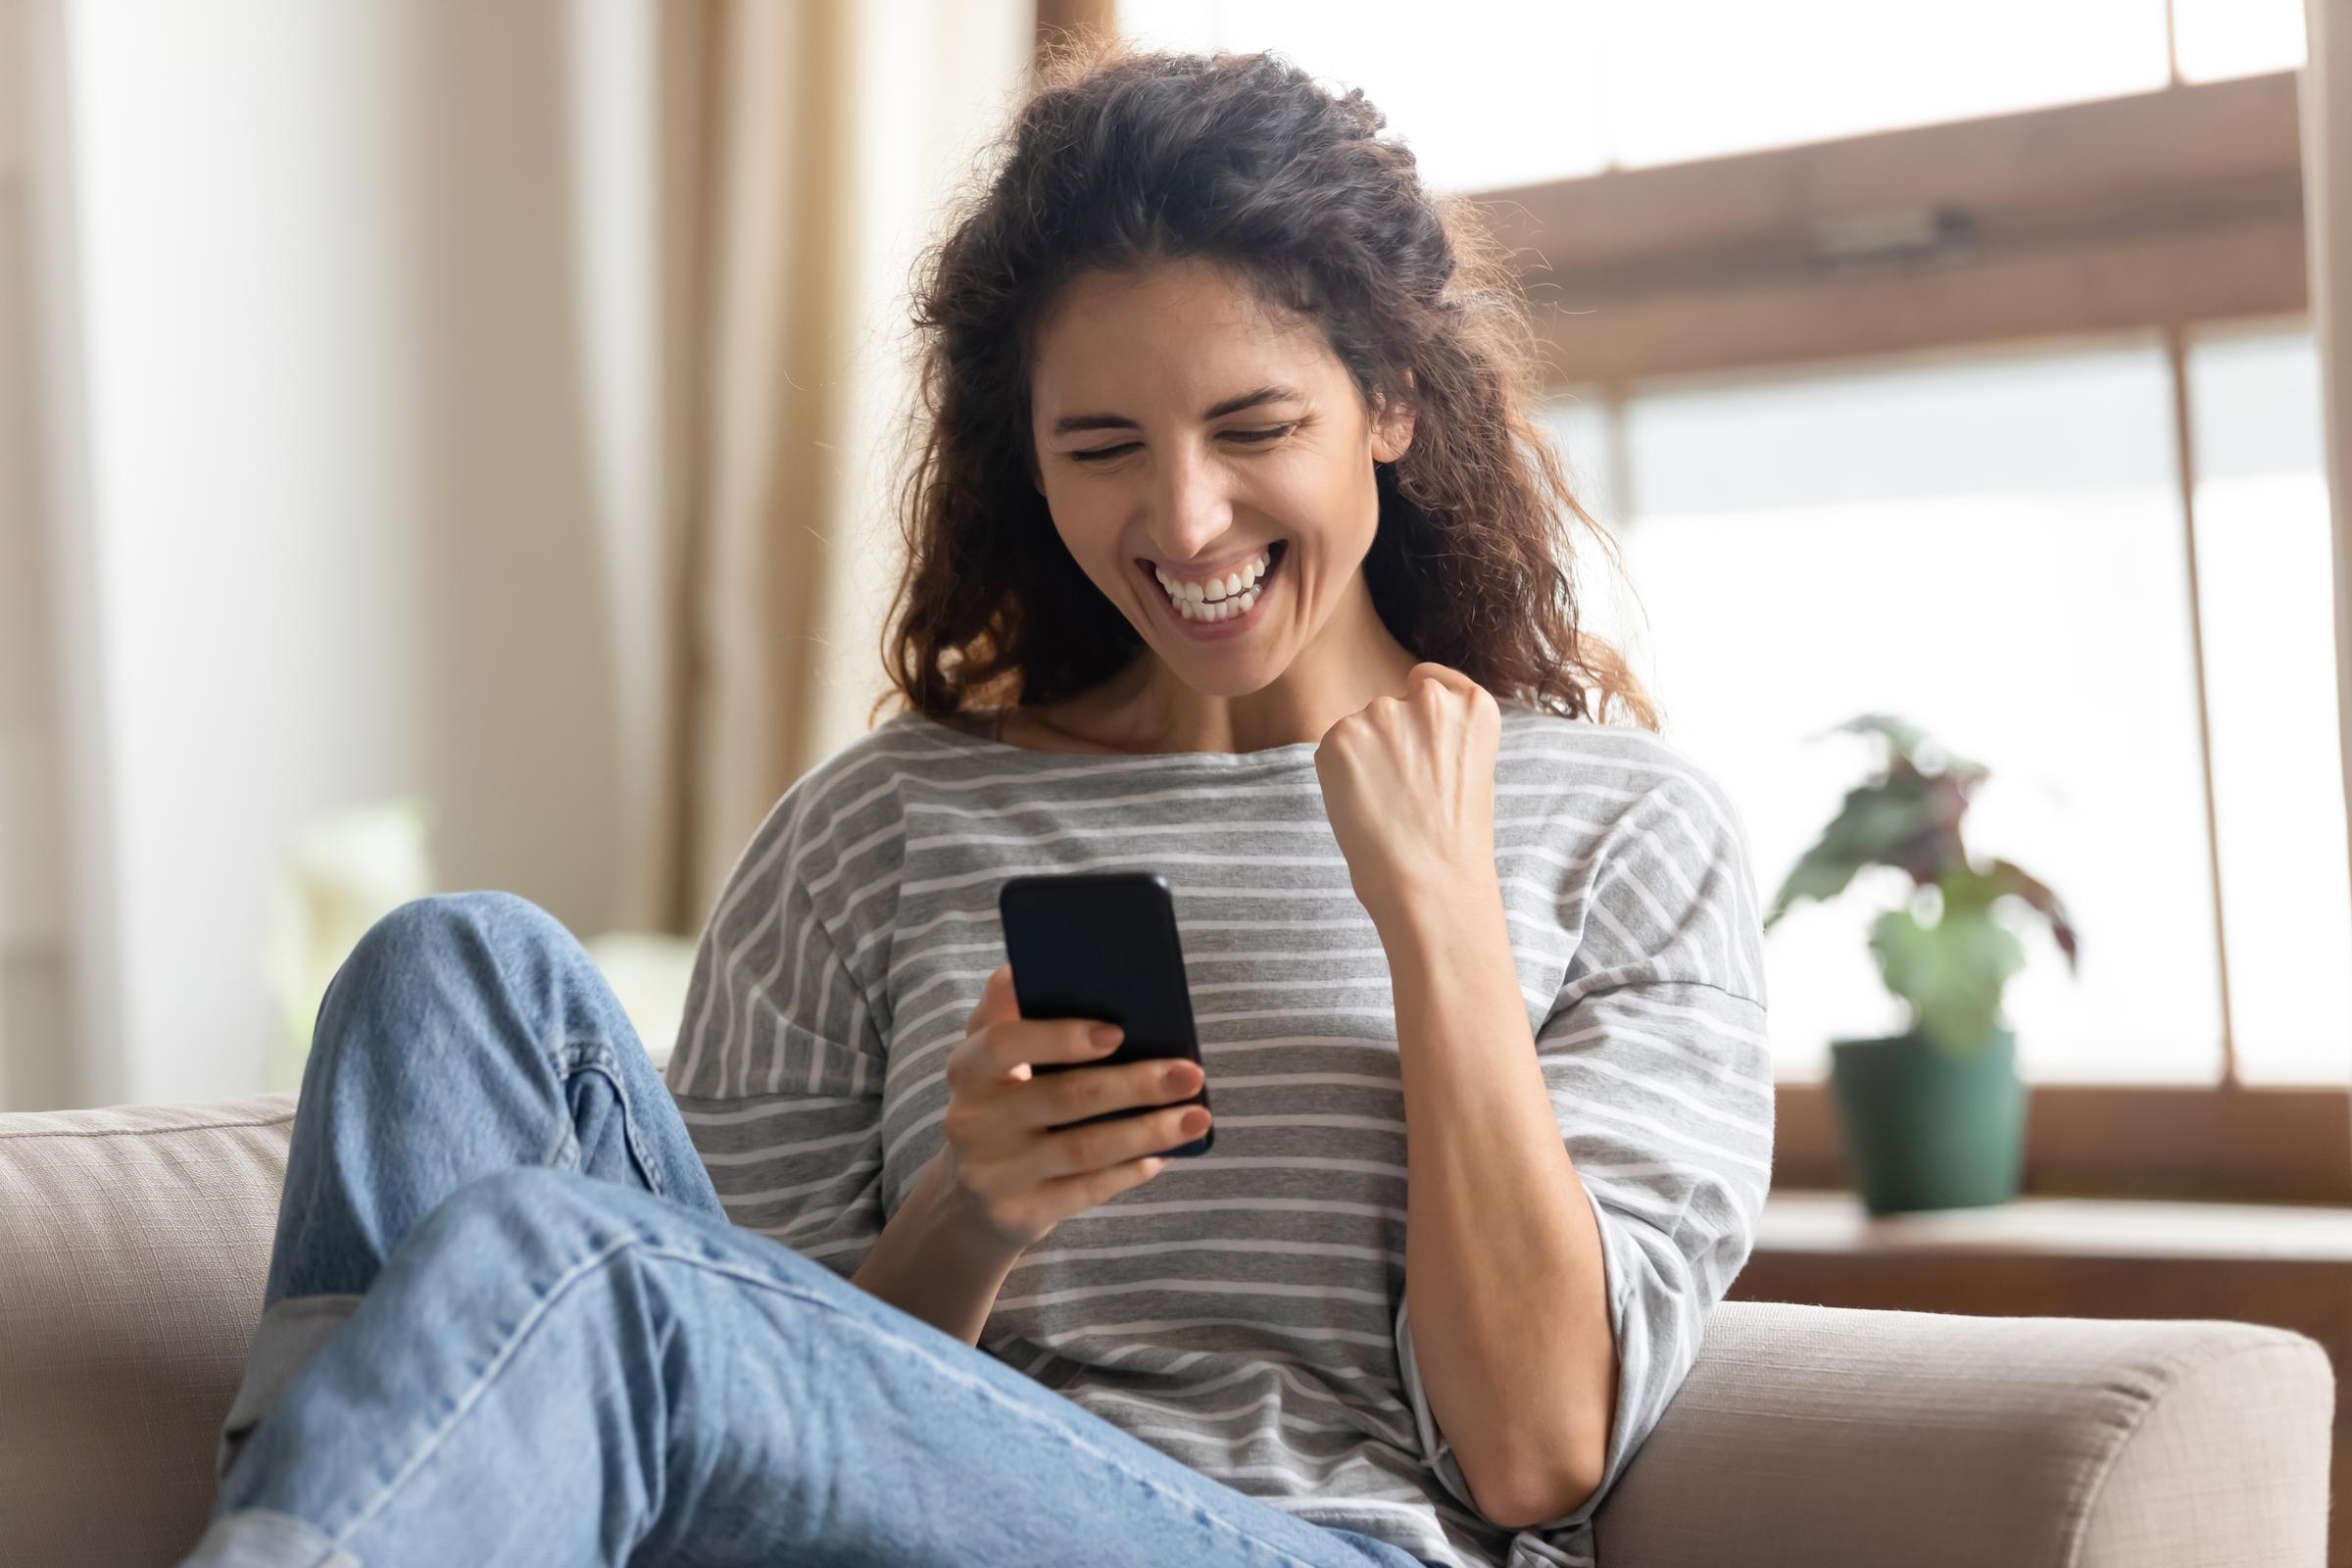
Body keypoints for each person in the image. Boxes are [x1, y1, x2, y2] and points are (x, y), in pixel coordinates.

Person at [181, 44, 1771, 1568]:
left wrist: (1439, 913)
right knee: (447, 971)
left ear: (1393, 403)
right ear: (1028, 457)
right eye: (1102, 446)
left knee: (575, 1269)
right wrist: (971, 1209)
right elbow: (761, 1411)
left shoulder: (1621, 831)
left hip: (1325, 1546)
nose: (1185, 514)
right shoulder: (875, 831)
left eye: (1255, 426)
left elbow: (1537, 1451)